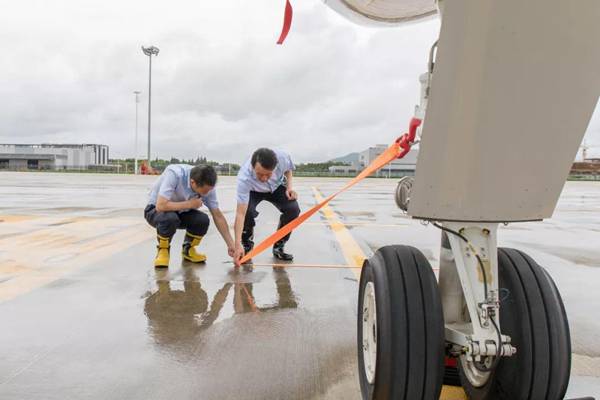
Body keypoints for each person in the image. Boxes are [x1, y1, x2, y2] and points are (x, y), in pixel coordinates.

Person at [144, 164, 234, 268]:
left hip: (180, 212)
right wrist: (190, 204)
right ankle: (163, 250)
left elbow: (217, 215)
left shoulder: (207, 185)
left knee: (202, 220)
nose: (207, 194)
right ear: (193, 183)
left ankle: (188, 250)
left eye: (209, 191)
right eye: (204, 191)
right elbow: (161, 205)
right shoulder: (174, 174)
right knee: (170, 218)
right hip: (155, 211)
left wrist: (231, 245)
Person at [232, 148, 300, 265]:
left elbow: (288, 170)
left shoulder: (283, 158)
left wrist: (289, 188)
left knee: (293, 210)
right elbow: (240, 214)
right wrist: (237, 245)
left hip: (276, 187)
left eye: (268, 174)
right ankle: (246, 246)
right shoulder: (244, 178)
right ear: (253, 167)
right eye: (259, 174)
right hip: (253, 190)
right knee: (247, 212)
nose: (263, 178)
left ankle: (279, 246)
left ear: (276, 166)